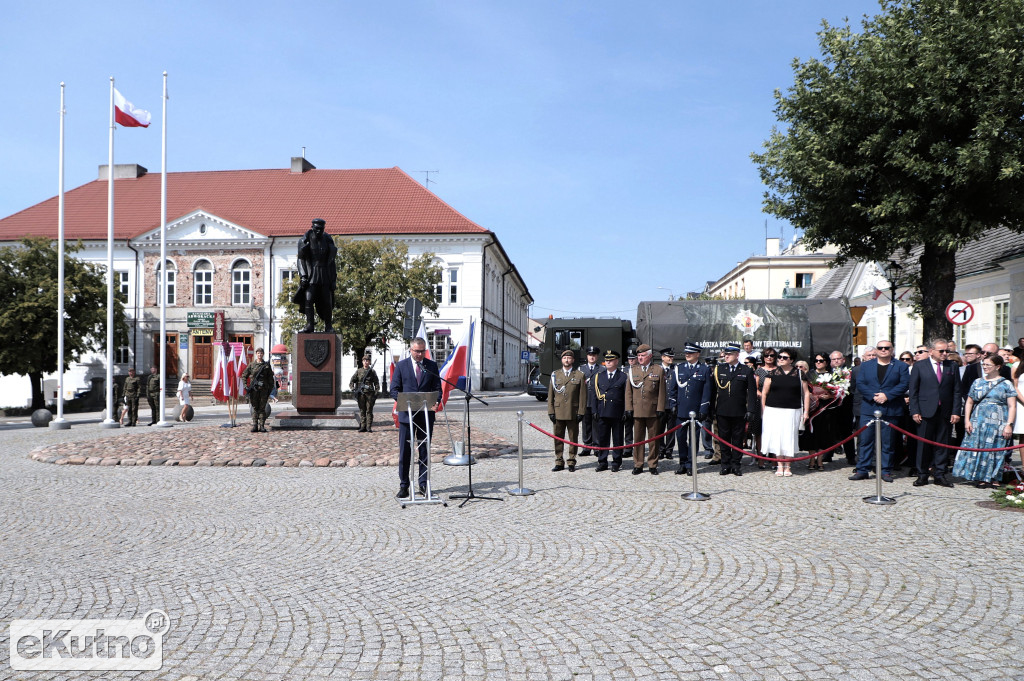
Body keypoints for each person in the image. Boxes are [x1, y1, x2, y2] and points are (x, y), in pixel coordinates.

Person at [951, 354, 1017, 488]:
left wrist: (1009, 425)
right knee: (978, 447)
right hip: (978, 420)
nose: (985, 367)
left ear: (998, 367)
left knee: (996, 449)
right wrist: (967, 421)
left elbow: (1012, 406)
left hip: (998, 421)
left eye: (988, 365)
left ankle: (995, 477)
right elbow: (969, 402)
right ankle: (980, 476)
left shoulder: (1006, 384)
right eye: (984, 364)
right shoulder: (977, 382)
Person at [849, 340, 910, 483]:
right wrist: (873, 396)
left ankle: (885, 470)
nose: (883, 350)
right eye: (880, 348)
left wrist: (887, 396)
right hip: (869, 407)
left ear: (892, 349)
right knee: (865, 440)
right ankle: (862, 469)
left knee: (887, 443)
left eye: (886, 348)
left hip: (891, 408)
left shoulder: (901, 366)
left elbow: (904, 384)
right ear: (876, 350)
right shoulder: (865, 366)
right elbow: (861, 384)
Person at [389, 337, 442, 499]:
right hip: (407, 416)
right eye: (417, 351)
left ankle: (423, 484)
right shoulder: (402, 366)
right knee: (405, 451)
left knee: (424, 451)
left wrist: (437, 400)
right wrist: (403, 399)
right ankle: (404, 485)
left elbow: (437, 389)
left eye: (422, 351)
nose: (419, 354)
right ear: (410, 350)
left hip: (425, 416)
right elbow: (394, 389)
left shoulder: (431, 366)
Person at [908, 339, 961, 487]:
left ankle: (940, 474)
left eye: (947, 351)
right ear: (931, 351)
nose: (945, 354)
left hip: (945, 411)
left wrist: (956, 411)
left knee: (942, 444)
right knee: (923, 444)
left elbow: (957, 390)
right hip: (925, 411)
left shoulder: (952, 366)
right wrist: (915, 410)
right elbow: (914, 391)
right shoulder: (919, 366)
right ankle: (922, 474)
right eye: (941, 351)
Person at [709, 342, 758, 476]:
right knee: (723, 438)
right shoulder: (719, 369)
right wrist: (711, 409)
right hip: (722, 410)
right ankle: (725, 464)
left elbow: (752, 393)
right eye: (725, 354)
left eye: (729, 354)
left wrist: (751, 410)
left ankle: (736, 464)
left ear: (737, 355)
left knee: (737, 439)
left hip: (739, 410)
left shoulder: (746, 370)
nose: (726, 356)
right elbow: (713, 391)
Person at [761, 349, 810, 476]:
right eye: (780, 357)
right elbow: (764, 394)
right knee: (777, 437)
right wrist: (763, 411)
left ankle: (788, 466)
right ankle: (779, 465)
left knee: (789, 437)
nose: (781, 359)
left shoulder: (799, 374)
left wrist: (806, 412)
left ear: (791, 360)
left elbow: (806, 394)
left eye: (784, 357)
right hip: (773, 410)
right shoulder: (771, 373)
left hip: (792, 410)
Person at [667, 342, 712, 475]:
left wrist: (703, 409)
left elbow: (707, 391)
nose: (687, 355)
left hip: (695, 411)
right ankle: (682, 463)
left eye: (690, 353)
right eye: (686, 353)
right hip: (681, 410)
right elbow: (673, 389)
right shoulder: (679, 368)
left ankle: (691, 464)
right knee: (680, 438)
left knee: (694, 439)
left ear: (697, 354)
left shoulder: (704, 369)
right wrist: (673, 405)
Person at [624, 344, 667, 475]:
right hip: (637, 410)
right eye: (639, 355)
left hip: (652, 410)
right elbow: (628, 392)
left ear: (649, 356)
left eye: (643, 355)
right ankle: (638, 464)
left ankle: (653, 464)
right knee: (638, 439)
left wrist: (660, 408)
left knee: (653, 439)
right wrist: (629, 408)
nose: (640, 358)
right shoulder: (633, 371)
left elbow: (662, 392)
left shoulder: (658, 370)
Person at [292, 218, 338, 333]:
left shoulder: (328, 240)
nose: (319, 231)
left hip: (325, 274)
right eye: (317, 229)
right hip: (311, 274)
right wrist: (303, 276)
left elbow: (332, 261)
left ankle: (328, 326)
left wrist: (333, 279)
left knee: (327, 301)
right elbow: (300, 260)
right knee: (308, 299)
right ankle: (309, 325)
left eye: (321, 229)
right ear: (312, 227)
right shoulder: (305, 240)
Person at [547, 349, 587, 472]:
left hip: (572, 411)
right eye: (565, 358)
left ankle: (571, 461)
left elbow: (583, 396)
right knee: (558, 438)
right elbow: (550, 396)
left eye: (569, 358)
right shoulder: (555, 375)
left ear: (573, 360)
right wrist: (551, 411)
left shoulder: (579, 375)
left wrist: (581, 412)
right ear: (562, 360)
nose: (567, 360)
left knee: (573, 438)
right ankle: (559, 461)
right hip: (558, 412)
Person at [590, 350, 628, 473]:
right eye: (607, 360)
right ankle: (602, 461)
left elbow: (626, 396)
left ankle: (616, 461)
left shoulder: (623, 376)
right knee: (602, 438)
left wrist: (625, 411)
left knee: (617, 438)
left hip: (617, 412)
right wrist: (594, 410)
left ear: (616, 361)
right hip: (603, 411)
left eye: (611, 360)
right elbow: (594, 395)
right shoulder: (598, 376)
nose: (608, 362)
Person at [801, 352, 837, 471]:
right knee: (811, 435)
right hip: (812, 408)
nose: (818, 363)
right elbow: (804, 390)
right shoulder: (810, 374)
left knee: (823, 434)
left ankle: (820, 459)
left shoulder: (833, 375)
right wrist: (812, 395)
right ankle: (812, 459)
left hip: (826, 408)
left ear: (826, 362)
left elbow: (838, 391)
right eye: (816, 360)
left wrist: (830, 396)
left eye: (821, 361)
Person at [828, 350, 856, 465]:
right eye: (834, 359)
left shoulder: (850, 372)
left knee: (847, 431)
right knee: (829, 431)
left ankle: (850, 456)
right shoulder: (827, 373)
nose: (836, 361)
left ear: (843, 360)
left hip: (846, 407)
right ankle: (827, 454)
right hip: (831, 407)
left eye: (838, 359)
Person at [241, 348, 275, 433]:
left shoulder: (266, 366)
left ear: (263, 354)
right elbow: (244, 375)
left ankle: (262, 426)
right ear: (256, 354)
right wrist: (246, 386)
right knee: (255, 408)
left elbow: (270, 378)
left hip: (263, 390)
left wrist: (269, 390)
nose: (260, 355)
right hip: (254, 390)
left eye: (261, 353)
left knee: (262, 408)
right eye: (258, 353)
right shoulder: (252, 365)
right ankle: (255, 425)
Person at [578, 346, 602, 457]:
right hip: (585, 400)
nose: (592, 357)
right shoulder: (581, 369)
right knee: (586, 424)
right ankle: (587, 446)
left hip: (597, 401)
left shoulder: (602, 369)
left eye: (594, 355)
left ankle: (597, 446)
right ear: (587, 356)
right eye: (590, 355)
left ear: (597, 356)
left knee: (596, 425)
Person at [350, 353, 381, 432]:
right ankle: (363, 426)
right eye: (364, 360)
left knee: (369, 410)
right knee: (362, 410)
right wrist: (353, 389)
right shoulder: (359, 371)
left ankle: (368, 427)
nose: (366, 362)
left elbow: (376, 383)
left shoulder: (372, 372)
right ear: (362, 362)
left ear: (369, 362)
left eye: (367, 361)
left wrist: (376, 393)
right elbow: (352, 381)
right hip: (361, 394)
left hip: (370, 394)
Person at [658, 348, 676, 461]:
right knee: (659, 429)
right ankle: (660, 450)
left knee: (671, 429)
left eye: (672, 356)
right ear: (662, 357)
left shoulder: (675, 369)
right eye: (668, 356)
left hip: (672, 404)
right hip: (661, 405)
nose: (671, 358)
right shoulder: (657, 370)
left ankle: (669, 450)